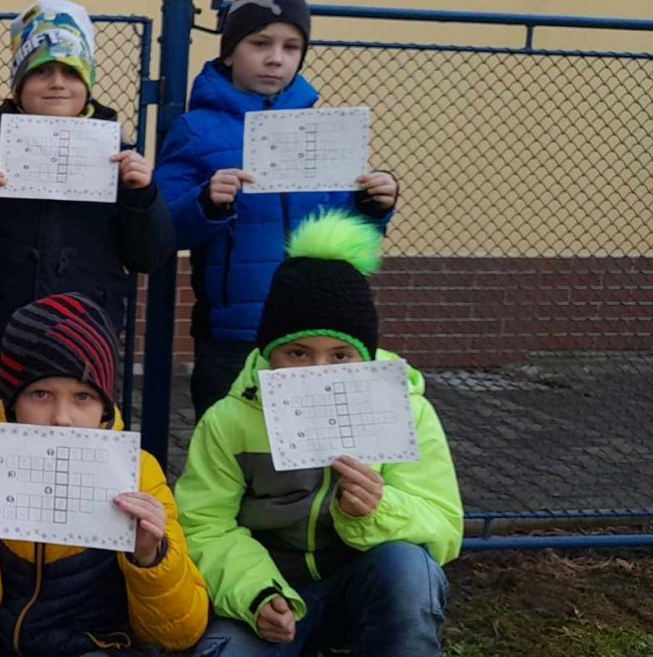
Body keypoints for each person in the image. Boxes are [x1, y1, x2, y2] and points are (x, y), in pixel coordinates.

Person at [176, 210, 462, 656]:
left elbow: (443, 524)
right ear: (269, 355)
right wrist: (256, 594)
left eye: (340, 356)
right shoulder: (228, 421)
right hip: (273, 589)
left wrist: (377, 509)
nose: (318, 371)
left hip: (363, 585)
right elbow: (203, 525)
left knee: (409, 566)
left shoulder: (407, 411)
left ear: (365, 357)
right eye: (297, 353)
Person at [154, 0, 400, 420]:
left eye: (291, 47)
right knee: (231, 438)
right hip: (234, 333)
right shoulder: (196, 130)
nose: (275, 58)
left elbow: (345, 233)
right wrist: (208, 202)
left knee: (316, 439)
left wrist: (373, 205)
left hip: (314, 329)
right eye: (260, 43)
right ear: (229, 52)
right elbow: (163, 227)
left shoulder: (322, 131)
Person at [0, 0, 174, 417]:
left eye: (71, 72)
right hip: (8, 339)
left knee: (83, 437)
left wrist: (142, 197)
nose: (57, 83)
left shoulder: (119, 159)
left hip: (89, 340)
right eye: (41, 71)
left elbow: (150, 255)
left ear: (88, 83)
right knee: (6, 429)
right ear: (18, 85)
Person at [0, 294, 209, 656]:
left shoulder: (138, 474)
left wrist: (150, 555)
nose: (61, 418)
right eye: (40, 394)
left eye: (82, 397)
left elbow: (180, 633)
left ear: (104, 407)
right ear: (13, 402)